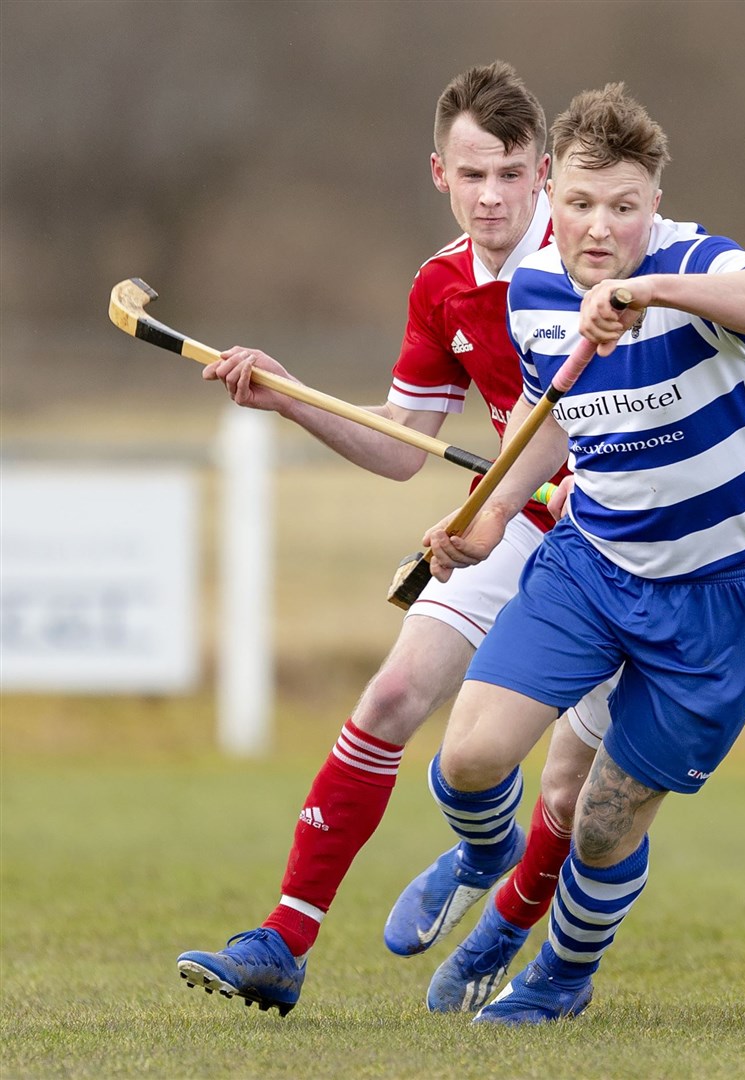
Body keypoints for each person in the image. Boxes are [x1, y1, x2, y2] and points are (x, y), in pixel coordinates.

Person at [175, 61, 612, 1018]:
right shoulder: (443, 285)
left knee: (576, 791)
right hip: (511, 523)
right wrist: (288, 399)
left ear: (543, 173)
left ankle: (520, 924)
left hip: (623, 541)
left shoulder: (590, 262)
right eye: (471, 176)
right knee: (393, 692)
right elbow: (403, 445)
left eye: (508, 174)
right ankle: (282, 943)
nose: (490, 197)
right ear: (438, 176)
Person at [406, 82, 745, 1025]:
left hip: (721, 597)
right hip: (593, 565)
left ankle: (560, 977)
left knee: (599, 823)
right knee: (469, 758)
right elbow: (557, 416)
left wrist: (651, 289)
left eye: (625, 207)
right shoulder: (535, 289)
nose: (602, 228)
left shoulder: (693, 267)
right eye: (584, 205)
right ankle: (485, 857)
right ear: (551, 198)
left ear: (654, 204)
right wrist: (490, 512)